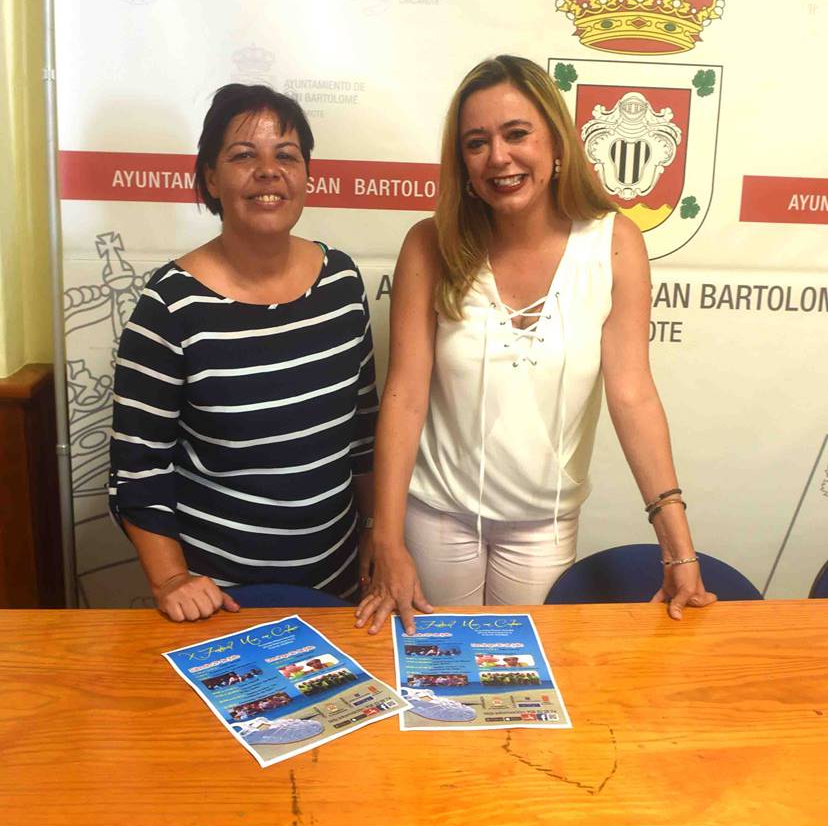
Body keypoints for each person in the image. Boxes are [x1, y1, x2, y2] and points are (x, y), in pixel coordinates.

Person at [356, 55, 715, 634]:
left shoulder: (614, 243)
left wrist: (678, 547)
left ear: (556, 142)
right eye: (476, 143)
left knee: (524, 676)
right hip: (436, 516)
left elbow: (633, 394)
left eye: (517, 133)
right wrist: (387, 538)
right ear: (463, 163)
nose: (498, 157)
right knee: (435, 670)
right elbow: (404, 396)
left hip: (542, 526)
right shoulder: (430, 244)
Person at [109, 84, 378, 621]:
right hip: (223, 601)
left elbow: (363, 434)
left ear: (307, 175)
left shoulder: (343, 282)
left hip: (340, 587)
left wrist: (376, 531)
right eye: (243, 156)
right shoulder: (171, 305)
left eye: (287, 156)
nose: (269, 171)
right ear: (211, 178)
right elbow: (137, 468)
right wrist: (172, 579)